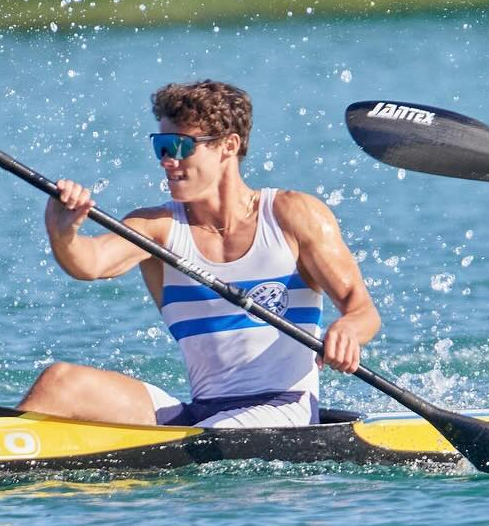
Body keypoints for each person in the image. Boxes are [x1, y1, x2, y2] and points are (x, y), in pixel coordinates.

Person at [20, 80, 380, 427]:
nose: (166, 160)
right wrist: (63, 229)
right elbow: (91, 263)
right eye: (161, 146)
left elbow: (362, 309)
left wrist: (347, 329)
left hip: (284, 407)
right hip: (204, 413)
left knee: (217, 435)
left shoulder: (292, 215)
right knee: (60, 382)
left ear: (228, 145)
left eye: (180, 147)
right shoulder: (157, 227)